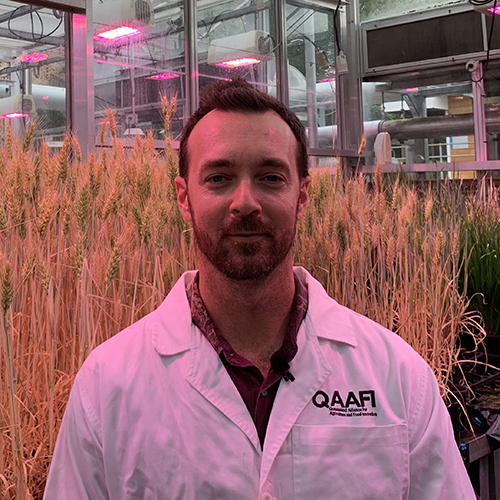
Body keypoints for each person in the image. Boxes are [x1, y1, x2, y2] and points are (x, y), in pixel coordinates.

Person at [44, 78, 476, 500]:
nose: (245, 202)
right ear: (183, 197)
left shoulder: (399, 377)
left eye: (270, 177)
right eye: (218, 178)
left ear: (302, 196)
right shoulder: (107, 386)